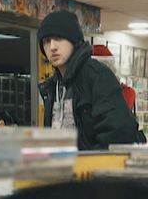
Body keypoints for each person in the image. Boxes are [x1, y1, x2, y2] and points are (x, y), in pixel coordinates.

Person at [37, 10, 141, 150]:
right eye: (46, 41)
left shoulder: (96, 75)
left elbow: (119, 133)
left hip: (95, 169)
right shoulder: (51, 87)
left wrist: (93, 166)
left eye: (59, 38)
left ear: (74, 40)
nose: (52, 47)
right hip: (63, 168)